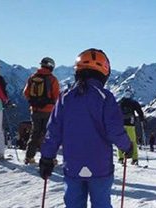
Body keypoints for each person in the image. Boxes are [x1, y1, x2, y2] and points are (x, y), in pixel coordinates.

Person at [38, 48, 133, 208]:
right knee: (101, 203)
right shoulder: (105, 97)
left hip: (73, 166)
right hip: (100, 167)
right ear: (104, 73)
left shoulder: (65, 98)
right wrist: (127, 146)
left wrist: (47, 157)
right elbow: (114, 129)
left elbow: (54, 131)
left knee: (73, 204)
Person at [23, 57, 60, 164]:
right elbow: (57, 96)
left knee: (35, 133)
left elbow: (25, 93)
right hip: (48, 110)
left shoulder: (32, 77)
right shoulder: (52, 79)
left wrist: (34, 102)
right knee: (48, 135)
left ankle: (29, 157)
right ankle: (49, 158)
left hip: (35, 110)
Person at [117, 89, 145, 165]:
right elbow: (139, 111)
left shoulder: (120, 102)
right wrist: (141, 119)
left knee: (120, 141)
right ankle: (134, 159)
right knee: (133, 142)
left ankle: (120, 158)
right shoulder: (133, 102)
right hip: (131, 124)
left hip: (121, 124)